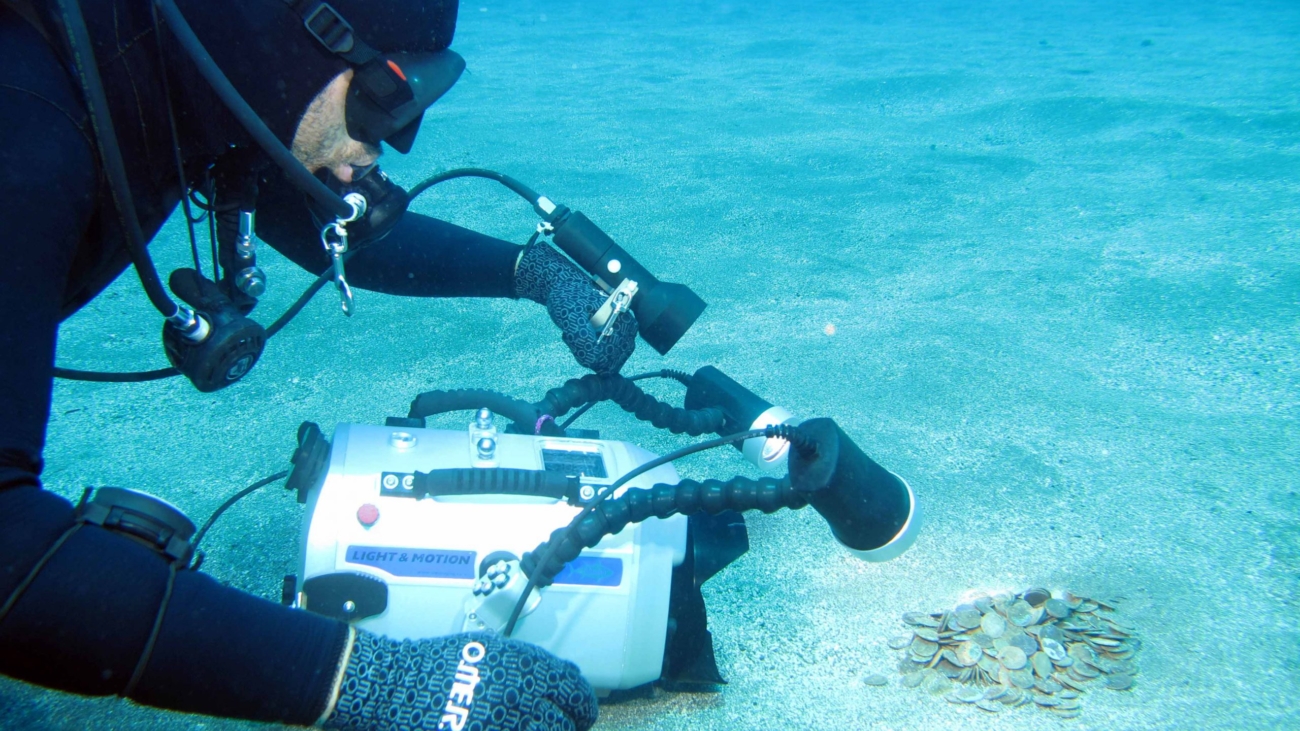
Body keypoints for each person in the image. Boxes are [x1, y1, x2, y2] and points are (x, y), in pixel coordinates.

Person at [0, 0, 621, 728]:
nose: (395, 138)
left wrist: (534, 273)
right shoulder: (24, 124)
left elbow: (331, 225)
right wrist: (358, 678)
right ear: (298, 39)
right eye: (383, 94)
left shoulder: (176, 78)